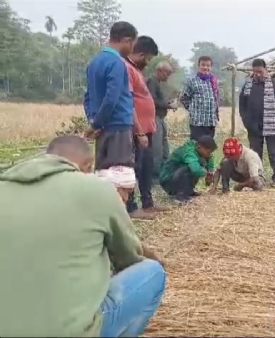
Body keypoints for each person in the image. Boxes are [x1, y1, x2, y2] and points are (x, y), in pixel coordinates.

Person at [0, 135, 166, 337]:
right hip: (69, 331)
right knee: (152, 272)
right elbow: (129, 259)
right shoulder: (97, 189)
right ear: (88, 167)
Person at [123, 36, 167, 220]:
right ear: (141, 54)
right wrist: (139, 130)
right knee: (135, 167)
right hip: (137, 129)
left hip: (148, 128)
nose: (148, 63)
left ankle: (148, 203)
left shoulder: (136, 70)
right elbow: (128, 101)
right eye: (148, 58)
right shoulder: (125, 69)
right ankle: (132, 207)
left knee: (146, 167)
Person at [83, 21, 138, 170]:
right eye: (133, 44)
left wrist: (94, 121)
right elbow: (111, 98)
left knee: (103, 172)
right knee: (119, 174)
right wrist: (96, 124)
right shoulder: (117, 63)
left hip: (102, 129)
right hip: (118, 127)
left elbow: (88, 97)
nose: (132, 48)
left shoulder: (94, 62)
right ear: (126, 40)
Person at [239, 58, 275, 186]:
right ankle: (257, 177)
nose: (258, 75)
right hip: (253, 125)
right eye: (255, 72)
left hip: (272, 124)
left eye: (260, 71)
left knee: (274, 151)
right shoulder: (247, 85)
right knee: (255, 153)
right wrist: (246, 121)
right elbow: (242, 105)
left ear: (266, 70)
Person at [159, 135, 217, 203]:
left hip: (175, 176)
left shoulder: (199, 150)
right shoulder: (188, 151)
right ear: (199, 147)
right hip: (167, 180)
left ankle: (188, 191)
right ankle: (180, 195)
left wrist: (210, 172)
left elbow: (210, 160)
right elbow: (195, 170)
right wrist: (206, 173)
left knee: (199, 165)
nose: (209, 155)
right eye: (208, 152)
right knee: (191, 168)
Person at [147, 61, 177, 177]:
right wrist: (169, 105)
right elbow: (151, 101)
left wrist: (167, 103)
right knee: (157, 149)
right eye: (167, 73)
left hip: (160, 118)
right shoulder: (152, 82)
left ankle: (162, 173)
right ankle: (154, 176)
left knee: (164, 148)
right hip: (154, 118)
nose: (168, 76)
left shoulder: (157, 83)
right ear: (159, 71)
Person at [180, 55, 220, 140]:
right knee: (196, 148)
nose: (205, 67)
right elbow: (184, 97)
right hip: (197, 122)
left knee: (208, 149)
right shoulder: (192, 81)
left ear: (211, 67)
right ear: (199, 66)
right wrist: (192, 109)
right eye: (203, 65)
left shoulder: (213, 81)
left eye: (208, 65)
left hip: (210, 122)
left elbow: (216, 99)